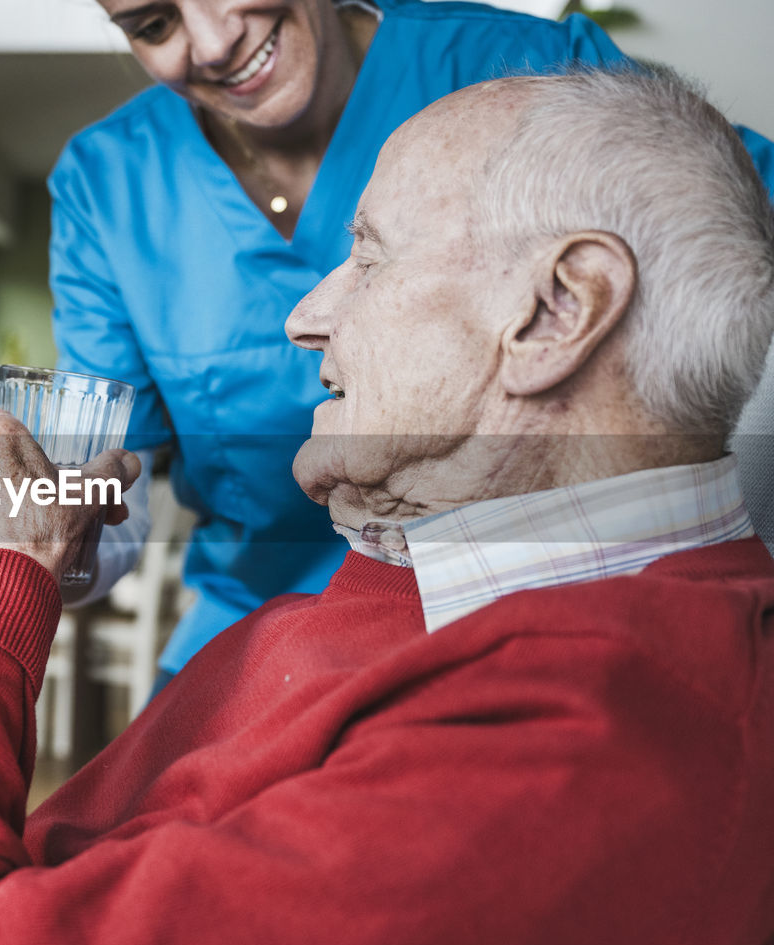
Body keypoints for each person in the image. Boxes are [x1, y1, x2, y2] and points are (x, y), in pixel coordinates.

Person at [0, 67, 774, 945]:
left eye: (373, 256)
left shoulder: (566, 750)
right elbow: (76, 879)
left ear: (559, 310)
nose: (305, 318)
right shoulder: (440, 574)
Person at [53, 0, 774, 685]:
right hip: (255, 643)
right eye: (153, 23)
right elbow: (94, 479)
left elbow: (729, 252)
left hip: (536, 617)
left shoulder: (520, 70)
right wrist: (36, 537)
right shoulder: (108, 182)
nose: (212, 43)